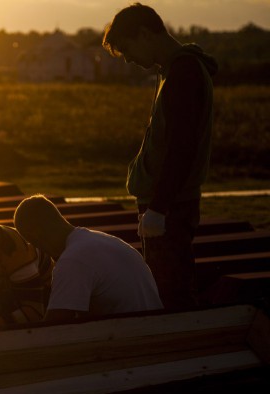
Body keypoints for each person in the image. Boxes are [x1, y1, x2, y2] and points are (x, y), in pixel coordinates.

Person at [102, 3, 218, 310]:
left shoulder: (184, 71)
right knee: (165, 288)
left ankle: (183, 352)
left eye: (127, 50)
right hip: (167, 204)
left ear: (144, 34)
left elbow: (182, 145)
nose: (129, 60)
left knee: (170, 294)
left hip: (170, 207)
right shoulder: (171, 70)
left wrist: (159, 208)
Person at [14, 195, 163, 323]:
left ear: (37, 234)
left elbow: (54, 327)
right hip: (156, 328)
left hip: (134, 341)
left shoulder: (72, 260)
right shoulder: (104, 241)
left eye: (34, 243)